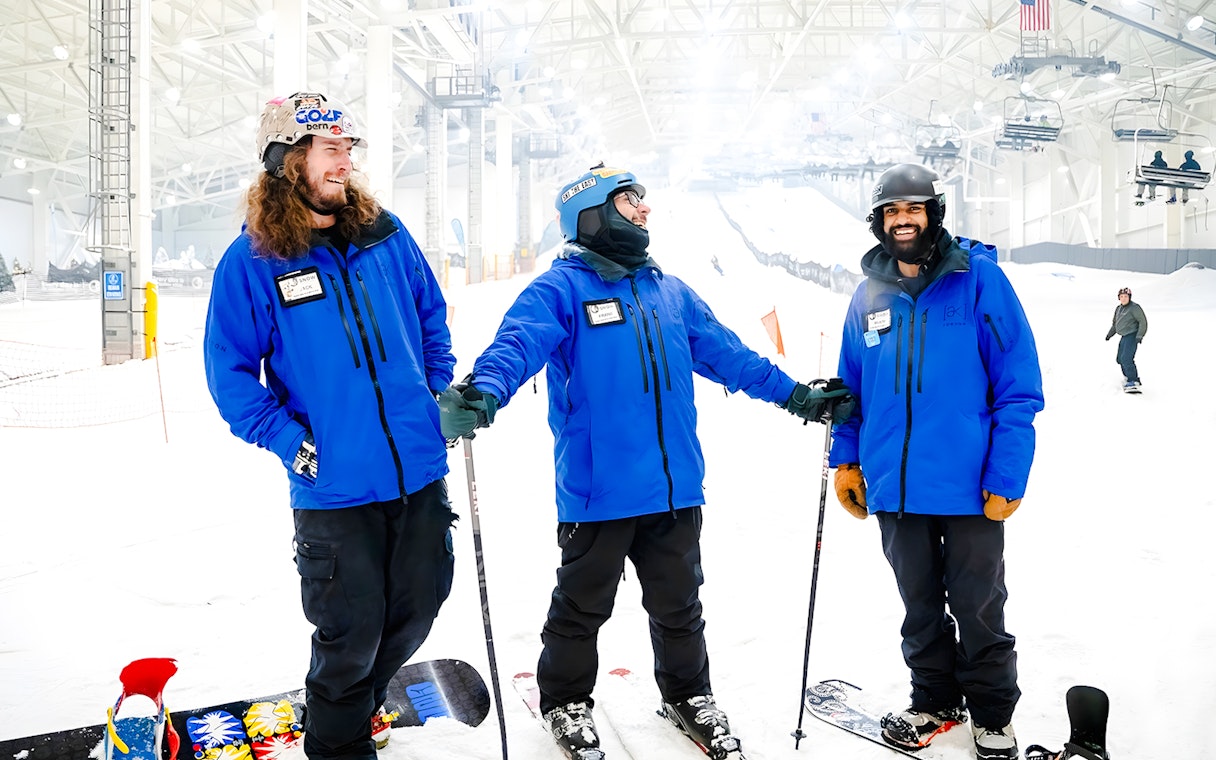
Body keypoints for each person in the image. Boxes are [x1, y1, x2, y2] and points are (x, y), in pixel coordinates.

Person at [436, 164, 853, 760]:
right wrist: (482, 391)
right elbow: (518, 344)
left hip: (675, 485)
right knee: (581, 606)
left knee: (680, 605)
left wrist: (796, 396)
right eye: (631, 201)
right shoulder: (562, 290)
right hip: (599, 489)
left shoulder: (669, 292)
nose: (644, 211)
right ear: (595, 213)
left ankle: (688, 694)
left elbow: (730, 355)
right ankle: (564, 700)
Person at [202, 92, 458, 760]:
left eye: (349, 148)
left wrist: (432, 394)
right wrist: (287, 439)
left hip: (417, 468)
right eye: (329, 149)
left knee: (421, 605)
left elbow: (432, 321)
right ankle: (340, 738)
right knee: (349, 633)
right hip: (334, 486)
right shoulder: (256, 259)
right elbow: (229, 370)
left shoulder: (386, 235)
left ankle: (345, 705)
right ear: (290, 161)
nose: (345, 161)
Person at [828, 163, 1044, 760]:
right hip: (894, 487)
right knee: (919, 606)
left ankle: (993, 714)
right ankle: (934, 700)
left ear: (934, 214)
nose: (904, 220)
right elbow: (850, 391)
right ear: (878, 221)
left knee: (977, 606)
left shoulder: (978, 281)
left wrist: (1007, 474)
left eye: (914, 209)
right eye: (892, 212)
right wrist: (847, 462)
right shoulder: (867, 295)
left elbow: (1018, 387)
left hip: (970, 486)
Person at [1104, 286, 1148, 391]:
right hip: (1124, 336)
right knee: (1119, 359)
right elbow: (1115, 324)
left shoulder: (1134, 307)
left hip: (1132, 336)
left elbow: (1143, 322)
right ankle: (1128, 377)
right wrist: (1110, 334)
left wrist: (1139, 335)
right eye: (1121, 296)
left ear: (1129, 297)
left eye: (1126, 296)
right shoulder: (1119, 309)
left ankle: (1134, 380)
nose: (1123, 298)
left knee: (1127, 358)